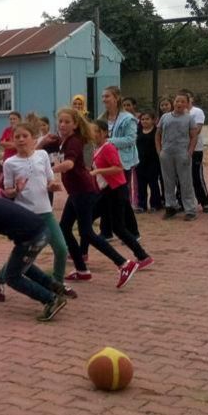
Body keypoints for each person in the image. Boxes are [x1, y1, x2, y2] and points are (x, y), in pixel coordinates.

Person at [0, 180, 68, 323]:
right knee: (20, 265)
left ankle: (51, 300)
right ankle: (53, 286)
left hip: (31, 239)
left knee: (12, 277)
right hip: (43, 231)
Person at [52, 108, 140, 288]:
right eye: (60, 121)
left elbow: (69, 164)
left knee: (87, 232)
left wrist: (47, 171)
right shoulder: (65, 140)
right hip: (76, 192)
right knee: (65, 228)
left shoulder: (74, 141)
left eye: (67, 121)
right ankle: (82, 270)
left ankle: (124, 263)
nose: (62, 124)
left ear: (76, 124)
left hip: (83, 191)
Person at [0, 122, 71, 301]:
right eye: (17, 137)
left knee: (61, 249)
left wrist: (53, 186)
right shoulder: (9, 163)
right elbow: (7, 191)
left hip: (45, 212)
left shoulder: (42, 155)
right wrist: (16, 189)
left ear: (33, 138)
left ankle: (56, 285)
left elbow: (49, 181)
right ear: (13, 140)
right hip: (25, 217)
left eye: (25, 136)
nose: (21, 140)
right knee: (25, 258)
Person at [90, 120, 152, 268]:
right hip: (106, 191)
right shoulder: (97, 148)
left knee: (118, 227)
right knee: (87, 220)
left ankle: (143, 256)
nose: (92, 134)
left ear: (104, 132)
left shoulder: (108, 147)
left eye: (95, 131)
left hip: (116, 191)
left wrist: (98, 171)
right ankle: (81, 253)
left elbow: (118, 168)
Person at [98, 86, 139, 239]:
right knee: (105, 196)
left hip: (122, 162)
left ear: (116, 98)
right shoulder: (102, 118)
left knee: (121, 198)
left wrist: (108, 142)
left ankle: (132, 231)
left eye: (107, 96)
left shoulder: (128, 118)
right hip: (105, 163)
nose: (104, 100)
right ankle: (106, 231)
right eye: (103, 97)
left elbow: (130, 139)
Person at [156, 93, 198, 221]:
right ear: (173, 102)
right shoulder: (165, 117)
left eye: (182, 101)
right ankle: (171, 207)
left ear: (186, 104)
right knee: (168, 181)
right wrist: (159, 151)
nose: (179, 104)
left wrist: (189, 152)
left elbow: (193, 136)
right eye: (177, 101)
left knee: (186, 182)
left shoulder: (189, 118)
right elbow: (158, 134)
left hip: (182, 152)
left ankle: (190, 209)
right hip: (167, 153)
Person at [179, 89, 208, 213]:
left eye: (186, 99)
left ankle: (204, 201)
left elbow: (196, 131)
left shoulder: (197, 112)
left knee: (196, 175)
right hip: (180, 149)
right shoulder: (176, 113)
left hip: (195, 148)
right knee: (181, 177)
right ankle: (184, 202)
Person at [135, 112, 162, 212]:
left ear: (153, 120)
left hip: (153, 161)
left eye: (147, 119)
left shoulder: (157, 131)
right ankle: (142, 205)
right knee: (141, 185)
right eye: (142, 119)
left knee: (153, 183)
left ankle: (155, 204)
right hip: (140, 162)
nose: (145, 121)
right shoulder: (137, 131)